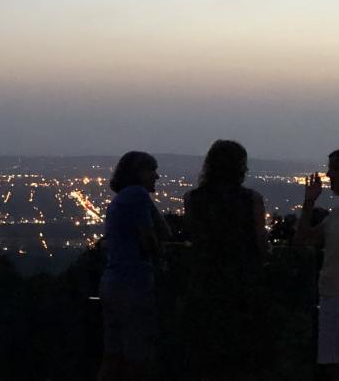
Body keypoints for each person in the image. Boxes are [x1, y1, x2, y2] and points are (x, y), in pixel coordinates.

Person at [182, 139, 268, 380]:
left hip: (204, 283)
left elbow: (194, 235)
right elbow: (261, 243)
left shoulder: (192, 199)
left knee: (205, 357)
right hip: (242, 284)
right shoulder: (252, 199)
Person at [97, 151, 169, 381]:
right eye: (152, 171)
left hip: (112, 282)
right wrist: (161, 258)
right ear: (138, 174)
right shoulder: (137, 195)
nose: (156, 176)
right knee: (138, 356)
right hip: (133, 283)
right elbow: (149, 237)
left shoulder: (122, 198)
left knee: (113, 355)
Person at [294, 149, 339, 380]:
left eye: (334, 169)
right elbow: (303, 241)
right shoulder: (335, 216)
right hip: (331, 297)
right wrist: (309, 203)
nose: (329, 174)